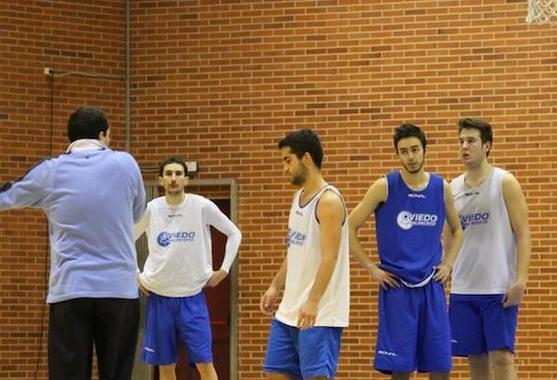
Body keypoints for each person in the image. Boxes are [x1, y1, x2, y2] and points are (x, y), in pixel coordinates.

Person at [0, 107, 146, 379]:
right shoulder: (126, 164)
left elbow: (7, 196)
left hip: (71, 290)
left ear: (70, 138)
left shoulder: (50, 171)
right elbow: (137, 214)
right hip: (119, 291)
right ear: (104, 135)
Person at [348, 123, 464, 380]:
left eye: (414, 149)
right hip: (397, 288)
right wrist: (371, 268)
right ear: (397, 154)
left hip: (431, 286)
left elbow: (457, 230)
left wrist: (448, 264)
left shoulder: (441, 187)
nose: (410, 157)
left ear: (424, 150)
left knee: (441, 365)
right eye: (404, 151)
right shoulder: (384, 186)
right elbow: (349, 227)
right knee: (400, 368)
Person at [134, 157, 242, 380]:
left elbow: (234, 233)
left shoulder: (201, 206)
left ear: (186, 180)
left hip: (192, 299)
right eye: (169, 174)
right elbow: (125, 241)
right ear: (160, 180)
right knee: (165, 367)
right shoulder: (151, 209)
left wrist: (224, 269)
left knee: (205, 363)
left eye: (178, 174)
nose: (173, 178)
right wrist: (134, 275)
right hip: (159, 298)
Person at [261, 129, 350, 380]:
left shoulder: (329, 201)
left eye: (288, 160)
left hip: (319, 314)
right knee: (273, 374)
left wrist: (312, 301)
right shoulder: (297, 197)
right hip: (288, 312)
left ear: (306, 159)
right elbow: (295, 250)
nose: (284, 168)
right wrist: (274, 286)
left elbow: (329, 258)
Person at [448, 118, 531, 380]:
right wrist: (444, 272)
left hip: (498, 288)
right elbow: (448, 237)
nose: (464, 146)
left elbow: (523, 232)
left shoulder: (504, 181)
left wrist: (520, 280)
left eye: (471, 141)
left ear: (487, 146)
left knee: (502, 357)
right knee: (476, 359)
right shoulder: (452, 189)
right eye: (461, 141)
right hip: (464, 288)